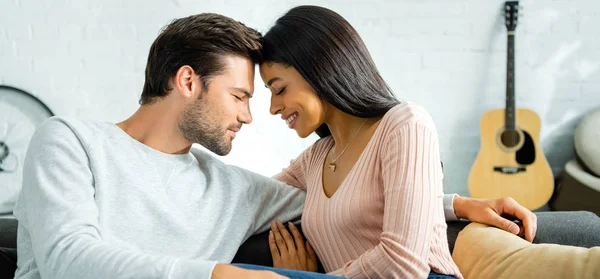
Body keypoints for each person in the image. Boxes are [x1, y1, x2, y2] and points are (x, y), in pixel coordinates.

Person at [12, 12, 535, 279]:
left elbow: (348, 200)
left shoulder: (231, 188)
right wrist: (218, 275)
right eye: (240, 95)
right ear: (188, 81)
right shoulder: (70, 141)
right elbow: (69, 259)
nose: (250, 114)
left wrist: (459, 205)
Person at [259, 6, 536, 279]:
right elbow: (249, 200)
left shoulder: (405, 125)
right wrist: (454, 205)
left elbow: (404, 265)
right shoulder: (314, 160)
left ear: (318, 66)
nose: (272, 107)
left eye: (279, 89)